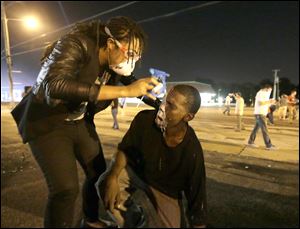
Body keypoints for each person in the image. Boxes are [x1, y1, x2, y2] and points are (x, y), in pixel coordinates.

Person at [11, 16, 161, 228]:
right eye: (130, 53)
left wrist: (160, 103)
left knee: (99, 175)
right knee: (65, 189)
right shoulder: (74, 43)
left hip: (79, 122)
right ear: (111, 44)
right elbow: (52, 86)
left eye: (137, 56)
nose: (132, 61)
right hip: (49, 121)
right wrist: (126, 91)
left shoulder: (113, 64)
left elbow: (135, 84)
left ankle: (90, 220)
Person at [95, 85, 207, 228]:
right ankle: (134, 222)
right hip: (138, 173)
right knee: (105, 184)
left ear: (188, 117)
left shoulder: (191, 150)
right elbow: (125, 149)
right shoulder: (144, 119)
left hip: (165, 189)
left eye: (171, 106)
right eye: (165, 100)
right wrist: (112, 176)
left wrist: (197, 223)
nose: (162, 107)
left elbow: (197, 195)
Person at [247, 84, 276, 150]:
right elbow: (260, 103)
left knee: (256, 129)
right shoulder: (260, 93)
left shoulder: (263, 94)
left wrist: (271, 103)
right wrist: (269, 101)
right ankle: (268, 145)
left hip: (260, 113)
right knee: (265, 130)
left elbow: (264, 104)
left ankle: (250, 141)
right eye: (270, 90)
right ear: (267, 89)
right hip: (260, 114)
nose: (270, 92)